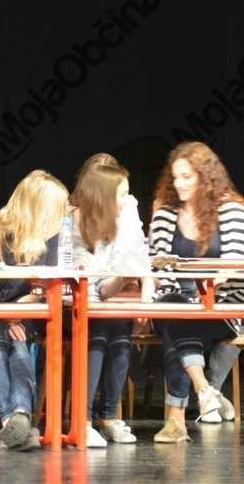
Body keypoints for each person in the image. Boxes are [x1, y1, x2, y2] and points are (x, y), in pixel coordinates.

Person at [140, 142, 244, 443]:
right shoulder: (166, 215)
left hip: (220, 307)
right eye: (175, 177)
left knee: (176, 334)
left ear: (205, 178)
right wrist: (143, 307)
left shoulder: (231, 212)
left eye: (187, 177)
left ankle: (178, 419)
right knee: (175, 311)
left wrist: (234, 268)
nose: (179, 184)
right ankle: (204, 390)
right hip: (172, 301)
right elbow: (154, 265)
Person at [0, 170, 68, 451]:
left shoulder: (49, 238)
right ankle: (14, 421)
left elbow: (43, 288)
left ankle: (18, 416)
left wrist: (14, 311)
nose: (61, 216)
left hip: (21, 311)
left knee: (19, 341)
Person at [69, 164, 140, 447]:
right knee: (97, 330)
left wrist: (122, 279)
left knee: (121, 335)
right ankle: (83, 423)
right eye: (122, 194)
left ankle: (108, 418)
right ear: (104, 195)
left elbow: (103, 288)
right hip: (67, 306)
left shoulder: (115, 229)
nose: (127, 200)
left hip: (97, 306)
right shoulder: (69, 224)